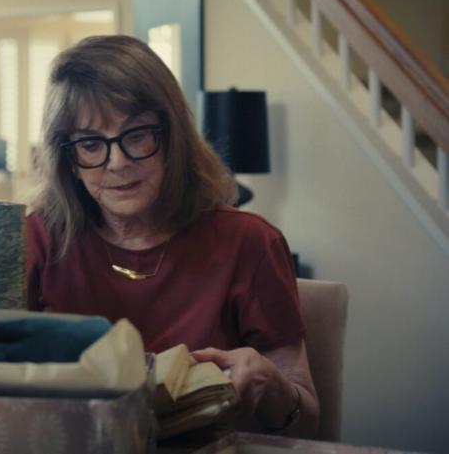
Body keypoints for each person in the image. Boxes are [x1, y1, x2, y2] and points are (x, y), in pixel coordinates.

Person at [26, 35, 318, 437]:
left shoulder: (250, 242)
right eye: (91, 144)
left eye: (137, 135)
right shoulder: (36, 240)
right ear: (69, 159)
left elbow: (309, 419)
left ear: (172, 137)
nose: (118, 162)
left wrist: (273, 384)